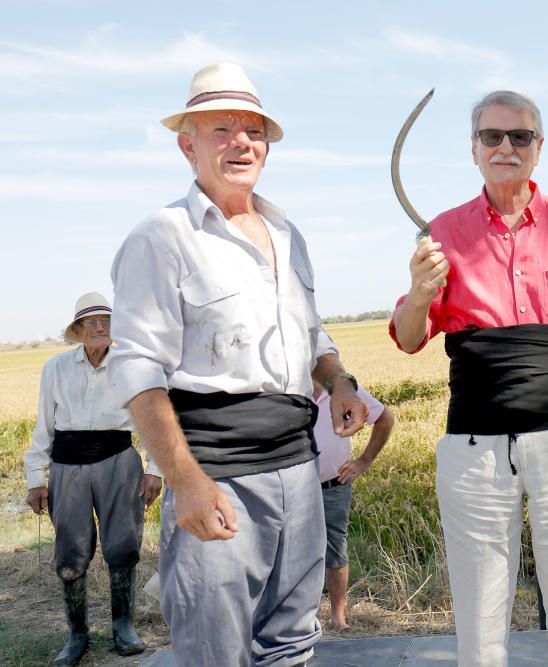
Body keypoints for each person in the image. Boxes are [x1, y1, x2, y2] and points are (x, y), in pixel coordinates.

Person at [108, 62, 368, 666]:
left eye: (252, 131)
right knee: (215, 648)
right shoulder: (161, 237)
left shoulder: (287, 234)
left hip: (299, 470)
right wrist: (186, 480)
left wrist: (339, 381)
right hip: (216, 473)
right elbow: (139, 371)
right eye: (220, 129)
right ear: (186, 144)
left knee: (292, 641)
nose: (240, 142)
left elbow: (311, 335)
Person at [390, 90, 548, 667]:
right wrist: (420, 293)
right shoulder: (443, 231)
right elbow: (408, 335)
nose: (505, 147)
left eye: (519, 137)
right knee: (479, 608)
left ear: (538, 149)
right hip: (474, 450)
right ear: (474, 149)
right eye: (492, 136)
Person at [23, 292, 162, 666]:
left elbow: (150, 418)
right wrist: (36, 477)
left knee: (123, 546)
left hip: (119, 460)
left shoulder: (131, 365)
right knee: (70, 552)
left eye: (106, 321)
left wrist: (155, 469)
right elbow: (44, 425)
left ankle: (123, 628)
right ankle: (76, 635)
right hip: (67, 465)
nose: (100, 327)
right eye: (91, 323)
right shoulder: (56, 368)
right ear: (78, 330)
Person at [312, 380, 394, 631]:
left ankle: (337, 617)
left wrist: (364, 461)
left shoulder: (342, 390)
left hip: (333, 485)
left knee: (335, 549)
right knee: (291, 553)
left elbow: (385, 419)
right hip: (291, 485)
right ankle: (301, 619)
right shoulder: (286, 384)